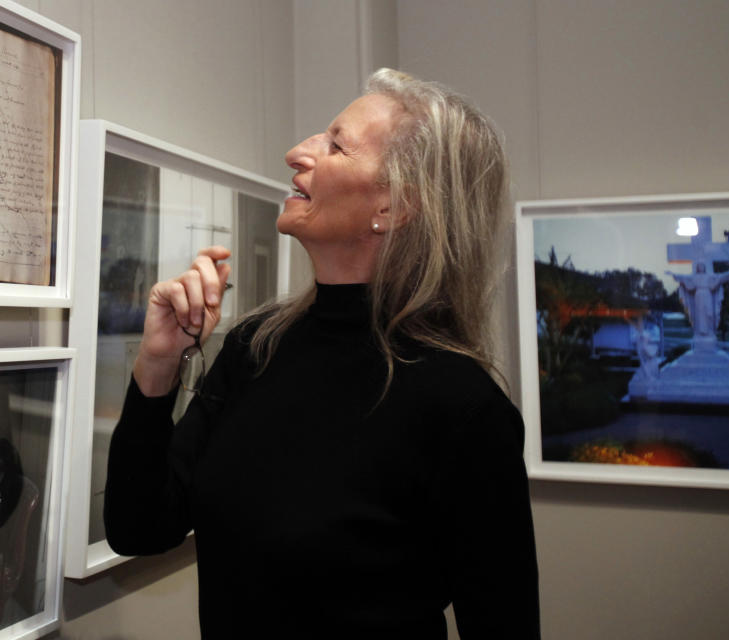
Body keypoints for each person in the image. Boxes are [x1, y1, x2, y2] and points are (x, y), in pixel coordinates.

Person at [105, 68, 540, 638]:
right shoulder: (252, 349)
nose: (297, 152)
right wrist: (159, 365)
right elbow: (140, 528)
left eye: (335, 145)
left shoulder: (462, 407)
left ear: (396, 204)